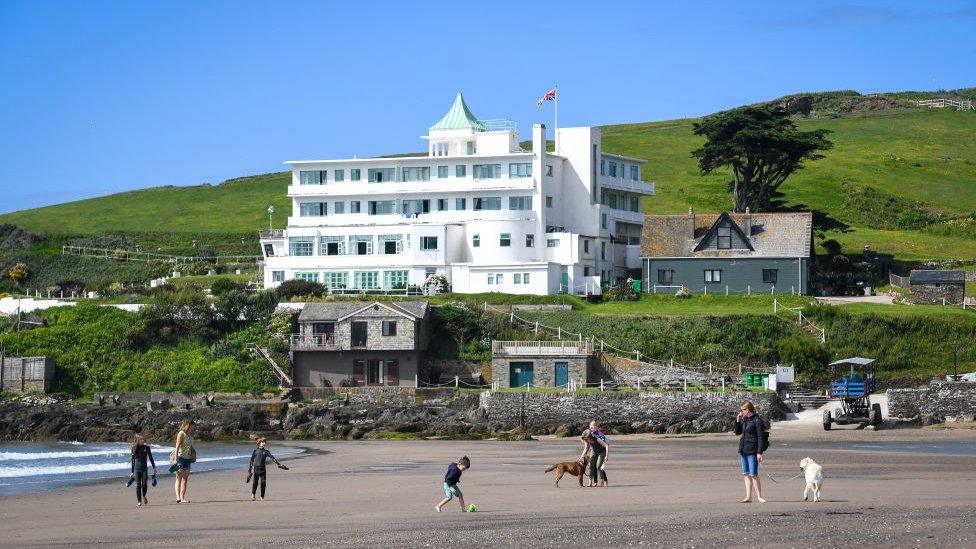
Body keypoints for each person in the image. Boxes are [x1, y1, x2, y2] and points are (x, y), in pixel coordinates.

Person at [734, 400, 767, 503]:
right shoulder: (744, 419)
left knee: (753, 474)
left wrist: (759, 452)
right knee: (746, 474)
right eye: (741, 410)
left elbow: (761, 437)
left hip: (753, 450)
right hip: (743, 449)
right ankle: (748, 497)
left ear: (748, 410)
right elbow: (737, 432)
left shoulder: (757, 421)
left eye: (743, 410)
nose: (741, 412)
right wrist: (738, 421)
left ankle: (759, 496)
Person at [579, 420, 609, 487]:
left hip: (602, 451)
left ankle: (603, 480)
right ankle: (590, 482)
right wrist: (581, 457)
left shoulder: (597, 437)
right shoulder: (587, 437)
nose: (592, 428)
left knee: (598, 466)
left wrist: (607, 456)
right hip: (594, 451)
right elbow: (586, 448)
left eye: (593, 427)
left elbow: (606, 446)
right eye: (591, 427)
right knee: (591, 466)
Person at [129, 434, 156, 507]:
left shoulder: (147, 448)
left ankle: (144, 495)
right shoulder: (134, 448)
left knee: (144, 484)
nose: (143, 440)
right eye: (141, 439)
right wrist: (132, 472)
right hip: (137, 469)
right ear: (137, 440)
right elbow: (133, 461)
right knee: (138, 485)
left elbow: (151, 458)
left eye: (143, 439)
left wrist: (154, 468)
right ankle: (139, 501)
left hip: (144, 469)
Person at [173, 419, 196, 504]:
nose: (193, 428)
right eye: (192, 426)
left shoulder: (190, 435)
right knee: (179, 477)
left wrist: (193, 456)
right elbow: (177, 446)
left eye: (193, 426)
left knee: (185, 479)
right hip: (180, 458)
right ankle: (178, 497)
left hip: (188, 459)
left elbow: (190, 447)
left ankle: (183, 498)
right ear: (187, 425)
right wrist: (175, 459)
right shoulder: (181, 433)